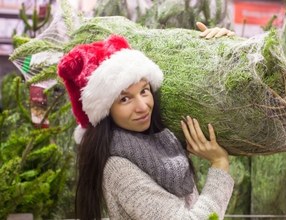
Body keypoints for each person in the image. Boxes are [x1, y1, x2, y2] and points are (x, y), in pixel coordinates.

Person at [57, 24, 234, 220]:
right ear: (106, 111)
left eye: (144, 91)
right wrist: (219, 164)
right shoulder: (119, 167)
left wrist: (226, 48)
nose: (142, 106)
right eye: (125, 99)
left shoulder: (164, 142)